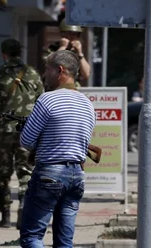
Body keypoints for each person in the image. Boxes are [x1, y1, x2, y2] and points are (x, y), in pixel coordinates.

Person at [18, 50, 97, 248]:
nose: (44, 75)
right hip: (77, 177)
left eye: (47, 69)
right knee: (64, 242)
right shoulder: (88, 105)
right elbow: (81, 142)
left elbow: (26, 141)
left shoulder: (47, 100)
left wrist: (39, 137)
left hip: (49, 174)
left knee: (32, 237)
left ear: (60, 70)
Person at [0, 39, 44, 229]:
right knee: (25, 172)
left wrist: (4, 109)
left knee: (3, 173)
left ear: (3, 54)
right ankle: (24, 211)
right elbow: (42, 100)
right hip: (28, 130)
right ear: (20, 53)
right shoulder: (33, 74)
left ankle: (6, 216)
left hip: (5, 131)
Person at [42, 19, 91, 84]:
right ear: (63, 34)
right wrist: (62, 47)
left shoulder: (76, 52)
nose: (73, 37)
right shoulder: (52, 48)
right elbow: (49, 65)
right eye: (70, 33)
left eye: (76, 34)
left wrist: (80, 54)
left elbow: (86, 74)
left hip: (72, 87)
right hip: (54, 86)